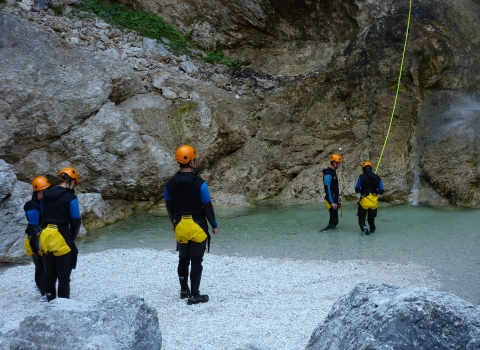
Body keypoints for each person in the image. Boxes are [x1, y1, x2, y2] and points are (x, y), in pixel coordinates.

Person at [164, 145, 219, 305]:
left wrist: (173, 222)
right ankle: (195, 296)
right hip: (198, 226)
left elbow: (169, 207)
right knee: (196, 261)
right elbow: (207, 207)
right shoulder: (200, 184)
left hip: (180, 226)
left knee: (183, 259)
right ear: (192, 161)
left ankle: (184, 290)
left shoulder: (169, 184)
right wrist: (214, 225)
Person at [39, 167, 81, 301]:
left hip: (45, 236)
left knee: (49, 275)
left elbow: (41, 216)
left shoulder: (45, 196)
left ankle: (50, 301)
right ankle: (63, 307)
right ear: (72, 182)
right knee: (63, 277)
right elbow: (76, 220)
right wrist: (72, 237)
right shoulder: (71, 198)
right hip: (62, 235)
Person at [24, 175, 50, 302]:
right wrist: (37, 248)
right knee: (41, 267)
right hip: (35, 240)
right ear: (36, 192)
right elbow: (33, 228)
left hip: (42, 237)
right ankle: (44, 293)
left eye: (47, 191)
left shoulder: (41, 203)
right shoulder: (33, 207)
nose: (46, 194)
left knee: (43, 267)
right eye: (43, 192)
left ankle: (42, 287)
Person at [355, 161, 384, 235]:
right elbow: (381, 190)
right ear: (371, 168)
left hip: (364, 201)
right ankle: (372, 231)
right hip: (374, 201)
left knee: (361, 220)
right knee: (371, 219)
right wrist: (375, 191)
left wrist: (363, 191)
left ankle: (365, 229)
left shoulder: (361, 177)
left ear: (363, 169)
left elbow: (357, 188)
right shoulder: (377, 177)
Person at [321, 153, 343, 232]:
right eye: (339, 163)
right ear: (334, 163)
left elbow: (334, 189)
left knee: (334, 221)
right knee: (334, 222)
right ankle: (324, 232)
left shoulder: (333, 172)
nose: (340, 165)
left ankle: (331, 239)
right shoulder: (328, 174)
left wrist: (338, 200)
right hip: (330, 200)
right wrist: (332, 202)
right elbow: (327, 189)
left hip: (334, 199)